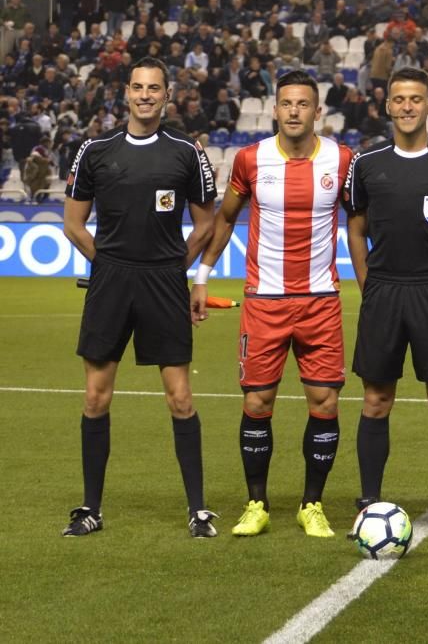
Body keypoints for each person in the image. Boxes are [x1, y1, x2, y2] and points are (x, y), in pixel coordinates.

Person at [192, 70, 353, 538]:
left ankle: (312, 504)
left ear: (317, 111)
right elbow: (224, 220)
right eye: (287, 103)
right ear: (275, 109)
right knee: (258, 401)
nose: (294, 111)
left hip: (321, 300)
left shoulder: (342, 161)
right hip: (264, 301)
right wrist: (201, 277)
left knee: (323, 402)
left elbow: (362, 224)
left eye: (303, 104)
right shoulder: (250, 159)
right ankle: (256, 503)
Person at [61, 57, 218, 537]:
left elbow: (207, 221)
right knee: (95, 396)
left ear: (167, 95)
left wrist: (177, 266)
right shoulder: (95, 149)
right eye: (137, 87)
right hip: (111, 282)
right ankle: (91, 509)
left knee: (180, 397)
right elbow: (72, 222)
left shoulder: (186, 153)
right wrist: (105, 261)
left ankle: (197, 510)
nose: (145, 95)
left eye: (154, 88)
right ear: (125, 93)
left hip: (163, 283)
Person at [343, 67, 428, 542]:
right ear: (387, 106)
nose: (406, 107)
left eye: (415, 99)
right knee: (376, 401)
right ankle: (367, 505)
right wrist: (369, 284)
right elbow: (355, 229)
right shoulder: (366, 164)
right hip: (384, 292)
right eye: (398, 99)